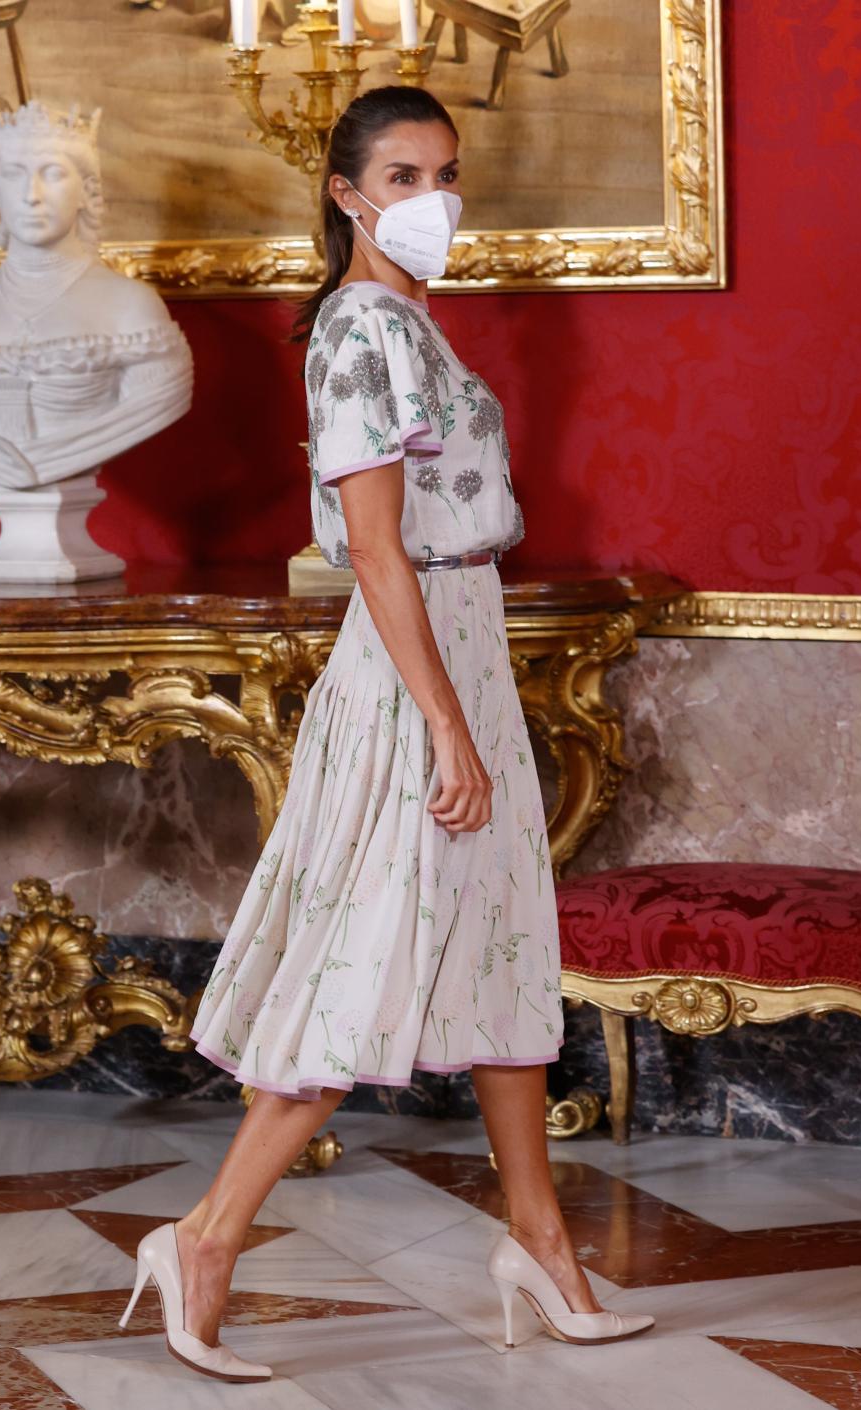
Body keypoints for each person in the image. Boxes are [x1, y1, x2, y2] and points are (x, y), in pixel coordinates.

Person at [116, 84, 654, 1383]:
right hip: (417, 672)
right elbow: (369, 547)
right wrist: (447, 729)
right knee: (362, 959)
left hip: (464, 639)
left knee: (507, 942)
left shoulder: (412, 319)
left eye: (446, 173)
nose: (435, 199)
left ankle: (543, 1244)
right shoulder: (360, 330)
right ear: (348, 194)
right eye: (404, 177)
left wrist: (471, 703)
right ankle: (201, 1238)